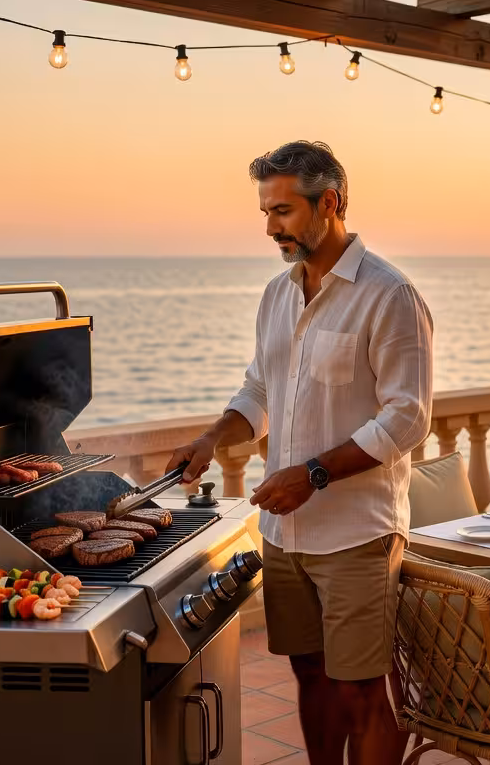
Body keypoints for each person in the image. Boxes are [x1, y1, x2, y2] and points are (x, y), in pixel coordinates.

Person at [167, 141, 433, 765]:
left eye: (282, 212)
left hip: (357, 536)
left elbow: (408, 419)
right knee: (309, 677)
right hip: (285, 534)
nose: (269, 228)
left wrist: (312, 474)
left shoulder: (390, 296)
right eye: (265, 212)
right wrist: (212, 439)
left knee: (362, 691)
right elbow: (261, 386)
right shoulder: (276, 295)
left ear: (329, 204)